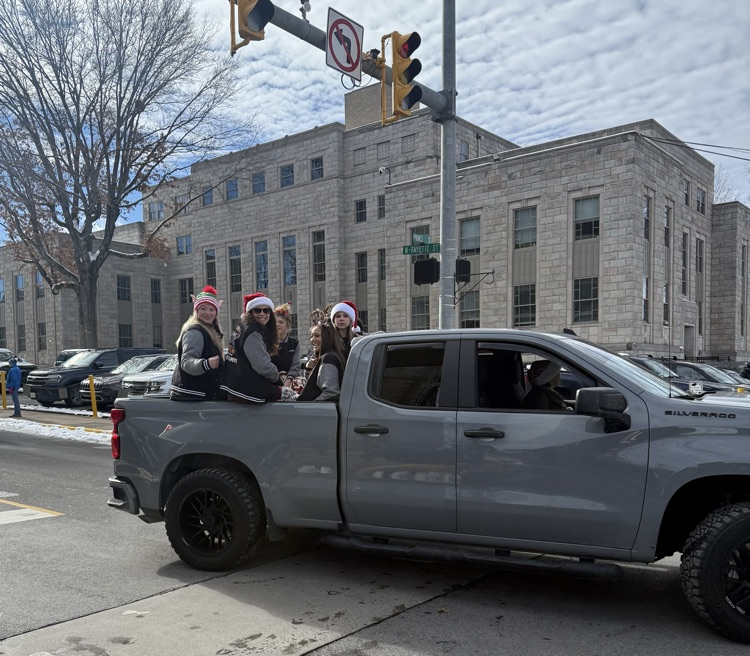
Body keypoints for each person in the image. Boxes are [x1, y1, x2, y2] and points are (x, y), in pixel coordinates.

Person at [222, 293, 297, 403]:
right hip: (247, 389)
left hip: (234, 385)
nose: (262, 314)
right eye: (258, 310)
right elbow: (263, 366)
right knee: (290, 395)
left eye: (266, 310)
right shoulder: (252, 332)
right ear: (251, 312)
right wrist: (278, 379)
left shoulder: (241, 327)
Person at [170, 286, 225, 401]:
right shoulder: (195, 331)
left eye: (212, 309)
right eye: (203, 309)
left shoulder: (210, 330)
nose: (207, 313)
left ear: (216, 312)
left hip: (198, 395)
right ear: (196, 311)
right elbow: (187, 362)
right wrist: (206, 364)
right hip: (193, 396)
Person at [298, 315, 346, 402]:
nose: (313, 340)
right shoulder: (328, 356)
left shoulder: (329, 358)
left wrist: (311, 405)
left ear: (327, 337)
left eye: (317, 336)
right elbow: (313, 388)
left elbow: (331, 393)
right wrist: (308, 369)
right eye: (311, 336)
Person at [272, 302, 304, 393]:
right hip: (273, 380)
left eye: (281, 322)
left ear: (287, 325)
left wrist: (287, 382)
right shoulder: (267, 343)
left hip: (290, 380)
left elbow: (295, 366)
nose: (277, 324)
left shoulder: (294, 344)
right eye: (275, 322)